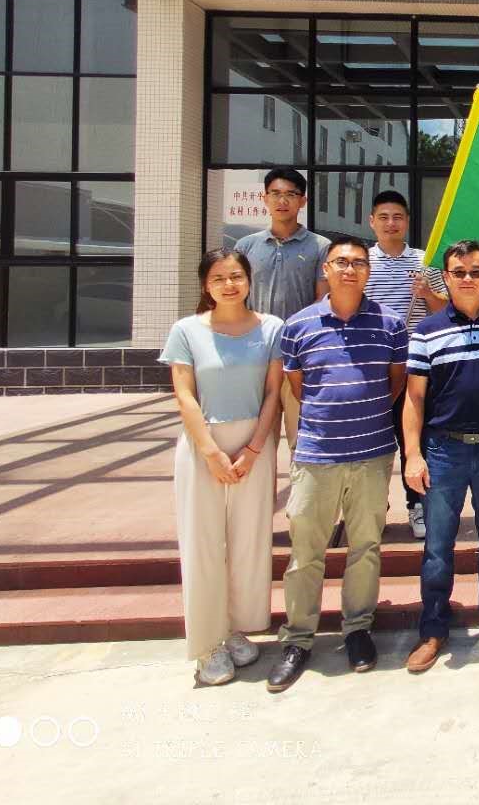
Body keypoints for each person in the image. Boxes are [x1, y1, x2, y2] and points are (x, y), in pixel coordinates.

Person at [267, 236, 408, 694]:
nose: (350, 270)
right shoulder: (299, 325)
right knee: (306, 551)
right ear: (326, 269)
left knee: (365, 546)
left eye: (359, 263)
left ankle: (358, 628)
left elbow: (394, 383)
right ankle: (298, 638)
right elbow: (297, 385)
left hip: (372, 453)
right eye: (341, 262)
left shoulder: (390, 324)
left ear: (369, 271)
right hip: (316, 456)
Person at [401, 240, 479, 673]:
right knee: (438, 547)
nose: (468, 279)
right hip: (443, 450)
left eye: (476, 271)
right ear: (446, 277)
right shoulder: (427, 330)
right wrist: (412, 454)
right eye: (459, 272)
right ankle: (433, 630)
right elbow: (414, 397)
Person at [161, 250, 284, 686]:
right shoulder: (186, 330)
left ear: (249, 280)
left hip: (255, 443)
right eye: (218, 278)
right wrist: (211, 452)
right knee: (204, 543)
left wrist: (253, 449)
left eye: (236, 276)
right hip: (203, 445)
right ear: (205, 285)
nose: (229, 285)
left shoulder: (272, 328)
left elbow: (273, 393)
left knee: (250, 540)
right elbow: (184, 395)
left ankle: (235, 628)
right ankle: (207, 644)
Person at [364, 189, 449, 540]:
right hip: (372, 366)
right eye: (383, 217)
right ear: (372, 221)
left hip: (415, 366)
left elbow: (446, 309)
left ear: (407, 222)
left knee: (413, 439)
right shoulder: (361, 261)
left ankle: (417, 505)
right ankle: (373, 507)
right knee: (373, 441)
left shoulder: (424, 261)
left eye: (397, 217)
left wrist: (427, 293)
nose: (391, 223)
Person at [233, 167, 329, 456]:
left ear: (303, 201)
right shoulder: (245, 247)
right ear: (264, 198)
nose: (282, 201)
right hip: (255, 356)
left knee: (303, 441)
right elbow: (235, 301)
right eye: (275, 194)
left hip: (299, 359)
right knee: (256, 442)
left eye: (290, 194)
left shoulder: (320, 247)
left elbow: (322, 301)